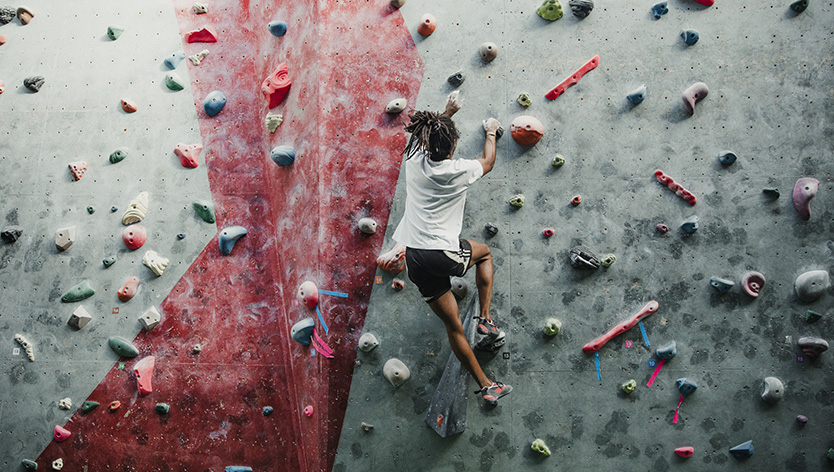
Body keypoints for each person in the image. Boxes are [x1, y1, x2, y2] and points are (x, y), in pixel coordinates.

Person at [392, 92, 512, 406]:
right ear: (454, 146)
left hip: (415, 257)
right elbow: (487, 161)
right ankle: (485, 319)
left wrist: (447, 112)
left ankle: (488, 386)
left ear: (427, 141)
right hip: (441, 253)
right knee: (484, 252)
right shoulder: (458, 170)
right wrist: (491, 131)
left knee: (453, 325)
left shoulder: (414, 161)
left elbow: (425, 134)